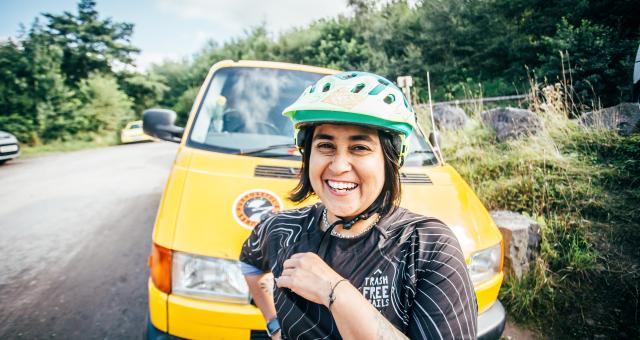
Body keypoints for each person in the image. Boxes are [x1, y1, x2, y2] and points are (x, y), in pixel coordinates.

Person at [239, 72, 477, 339]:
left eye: (360, 148)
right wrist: (274, 325)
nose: (339, 166)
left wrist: (335, 291)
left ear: (390, 159)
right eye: (326, 146)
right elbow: (250, 264)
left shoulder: (426, 247)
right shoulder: (282, 229)